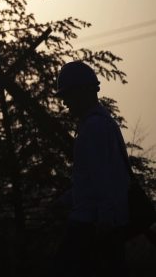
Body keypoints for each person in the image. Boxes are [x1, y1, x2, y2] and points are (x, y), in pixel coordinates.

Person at [52, 61, 130, 277]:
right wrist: (66, 200)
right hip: (101, 222)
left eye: (68, 95)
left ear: (82, 92)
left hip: (91, 224)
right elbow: (93, 180)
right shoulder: (102, 124)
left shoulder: (93, 128)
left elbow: (103, 180)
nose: (66, 102)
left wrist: (104, 222)